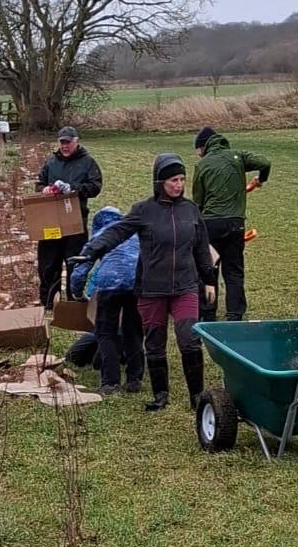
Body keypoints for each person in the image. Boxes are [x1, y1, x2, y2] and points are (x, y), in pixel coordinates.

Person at [76, 153, 215, 412]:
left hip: (185, 287)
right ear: (159, 181)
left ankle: (197, 396)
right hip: (152, 290)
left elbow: (201, 248)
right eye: (173, 180)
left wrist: (209, 280)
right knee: (154, 342)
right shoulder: (144, 211)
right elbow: (116, 232)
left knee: (189, 340)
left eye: (182, 179)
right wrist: (91, 250)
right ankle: (160, 395)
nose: (179, 185)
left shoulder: (191, 210)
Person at [191, 126, 272, 321]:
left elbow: (198, 202)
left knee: (209, 270)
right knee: (234, 271)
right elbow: (265, 162)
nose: (198, 154)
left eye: (198, 151)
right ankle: (235, 314)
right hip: (236, 224)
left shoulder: (202, 165)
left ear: (203, 147)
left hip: (211, 225)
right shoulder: (238, 156)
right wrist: (261, 179)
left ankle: (208, 314)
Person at [69, 207, 144, 394]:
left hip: (109, 284)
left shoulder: (102, 234)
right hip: (137, 285)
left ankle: (111, 383)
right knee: (133, 332)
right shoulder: (134, 232)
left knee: (106, 333)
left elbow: (81, 268)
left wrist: (77, 295)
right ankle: (135, 379)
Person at [34, 127, 102, 309]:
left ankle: (74, 303)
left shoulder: (87, 162)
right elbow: (39, 184)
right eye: (62, 142)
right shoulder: (51, 161)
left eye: (68, 142)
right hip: (51, 221)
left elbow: (95, 186)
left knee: (75, 264)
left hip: (75, 223)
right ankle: (49, 303)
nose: (65, 146)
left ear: (76, 141)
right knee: (48, 264)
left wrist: (73, 189)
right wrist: (44, 189)